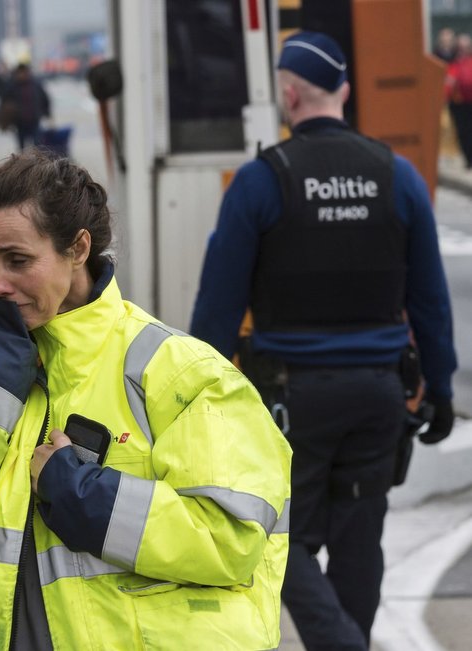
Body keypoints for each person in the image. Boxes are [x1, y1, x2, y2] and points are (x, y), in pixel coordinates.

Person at [0, 150, 291, 649]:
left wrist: (83, 495)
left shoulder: (179, 372)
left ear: (78, 248)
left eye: (18, 261)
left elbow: (231, 540)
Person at [190, 31, 457, 650]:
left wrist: (195, 404)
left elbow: (217, 311)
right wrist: (439, 388)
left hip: (290, 402)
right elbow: (431, 301)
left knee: (281, 539)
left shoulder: (261, 183)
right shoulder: (398, 177)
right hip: (378, 398)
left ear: (288, 94)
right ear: (344, 90)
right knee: (361, 541)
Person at [0, 62, 51, 151]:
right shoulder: (12, 85)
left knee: (38, 144)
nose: (22, 75)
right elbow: (5, 101)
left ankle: (37, 163)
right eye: (20, 72)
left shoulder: (35, 84)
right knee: (21, 146)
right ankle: (24, 163)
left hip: (34, 119)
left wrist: (47, 114)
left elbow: (44, 99)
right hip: (19, 121)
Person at [445, 34, 472, 168]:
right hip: (459, 104)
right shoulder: (454, 64)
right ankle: (469, 158)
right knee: (463, 132)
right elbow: (448, 83)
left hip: (468, 102)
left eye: (465, 47)